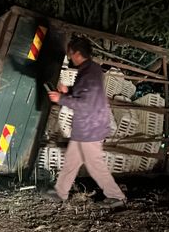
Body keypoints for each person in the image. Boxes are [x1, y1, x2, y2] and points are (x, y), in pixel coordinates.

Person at [47, 37, 127, 208]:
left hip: (90, 128)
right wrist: (67, 92)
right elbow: (84, 97)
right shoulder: (90, 69)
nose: (69, 58)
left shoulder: (89, 73)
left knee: (94, 164)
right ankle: (61, 192)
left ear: (77, 53)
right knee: (71, 161)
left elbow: (85, 103)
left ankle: (117, 197)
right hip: (86, 126)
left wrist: (61, 98)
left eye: (70, 54)